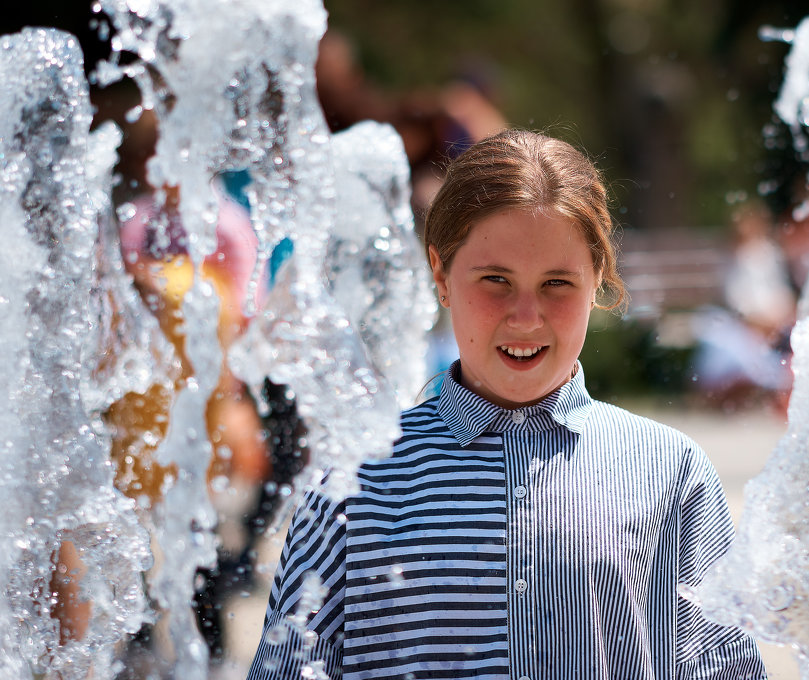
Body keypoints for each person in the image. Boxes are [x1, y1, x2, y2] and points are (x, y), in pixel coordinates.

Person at [247, 129, 766, 679]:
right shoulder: (354, 482)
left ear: (596, 282)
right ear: (441, 275)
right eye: (496, 279)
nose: (525, 316)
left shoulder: (670, 472)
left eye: (557, 283)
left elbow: (725, 667)